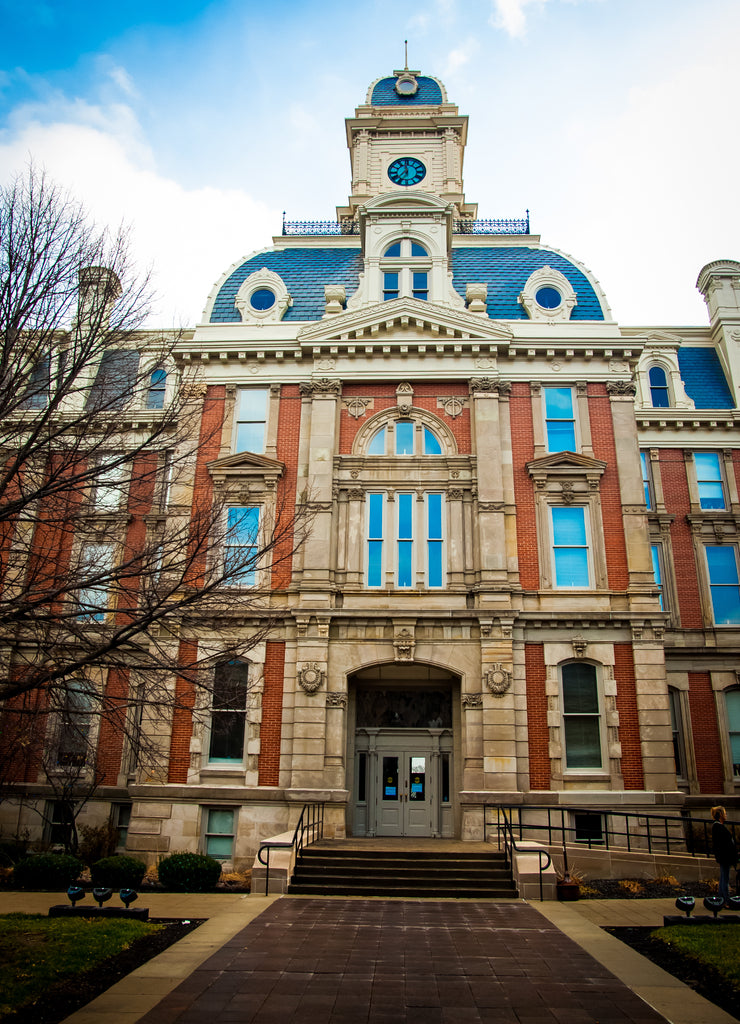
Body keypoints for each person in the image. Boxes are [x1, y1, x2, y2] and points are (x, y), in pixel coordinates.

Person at [711, 805, 737, 905]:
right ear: (721, 814)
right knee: (725, 878)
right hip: (725, 856)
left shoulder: (717, 827)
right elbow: (724, 844)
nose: (726, 815)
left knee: (723, 877)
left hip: (724, 856)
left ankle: (721, 898)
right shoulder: (718, 827)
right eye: (725, 813)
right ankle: (725, 899)